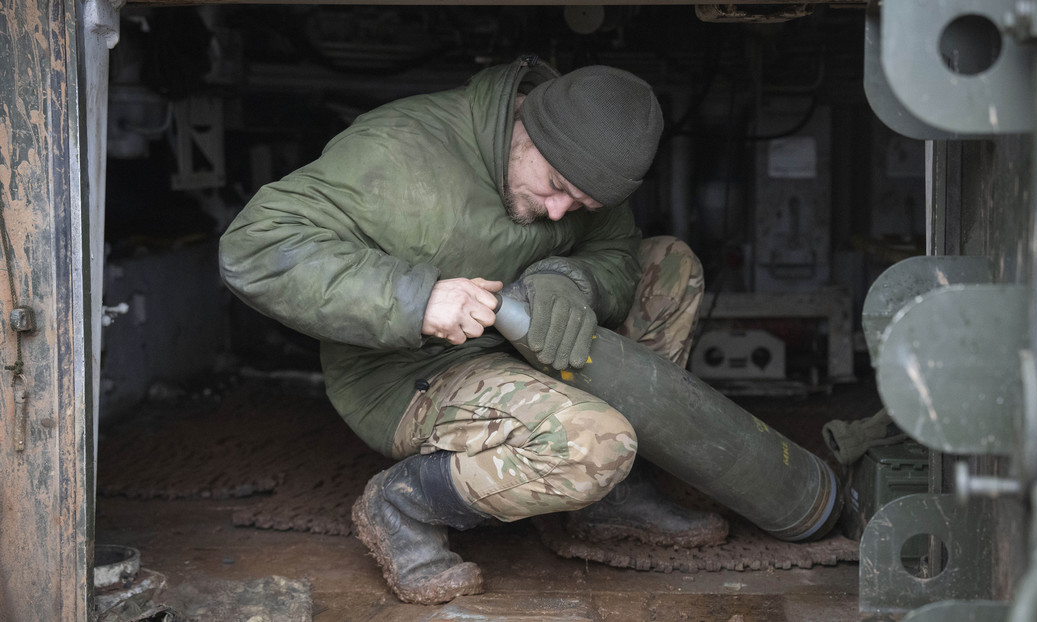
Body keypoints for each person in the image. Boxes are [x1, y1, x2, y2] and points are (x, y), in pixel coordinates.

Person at [218, 55, 727, 605]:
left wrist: (573, 279)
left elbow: (615, 250)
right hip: (414, 373)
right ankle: (403, 503)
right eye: (555, 186)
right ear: (527, 125)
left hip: (521, 346)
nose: (560, 212)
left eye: (582, 204)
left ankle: (612, 495)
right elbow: (254, 248)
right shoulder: (398, 150)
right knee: (593, 445)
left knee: (669, 266)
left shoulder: (582, 161)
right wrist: (415, 299)